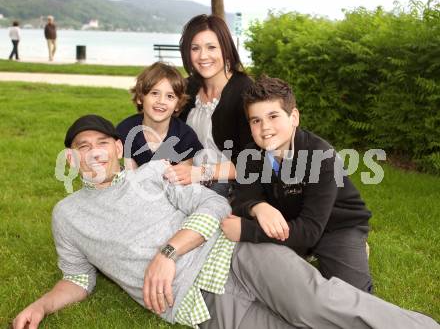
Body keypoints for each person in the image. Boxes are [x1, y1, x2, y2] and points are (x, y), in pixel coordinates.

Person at [12, 114, 439, 329]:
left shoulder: (154, 172)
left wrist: (168, 252)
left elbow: (215, 207)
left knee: (319, 304)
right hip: (199, 304)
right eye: (83, 147)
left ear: (118, 145)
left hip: (236, 255)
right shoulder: (66, 216)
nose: (95, 152)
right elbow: (78, 278)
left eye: (102, 143)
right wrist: (43, 305)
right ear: (72, 158)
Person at [222, 76, 373, 292]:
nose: (265, 128)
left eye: (273, 116)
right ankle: (302, 252)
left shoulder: (321, 156)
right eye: (256, 120)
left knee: (349, 296)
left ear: (294, 117)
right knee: (272, 285)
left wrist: (246, 230)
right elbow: (242, 197)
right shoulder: (250, 154)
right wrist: (257, 207)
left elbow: (310, 230)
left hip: (335, 226)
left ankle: (352, 247)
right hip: (288, 222)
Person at [163, 14, 253, 196]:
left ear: (226, 49)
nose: (203, 56)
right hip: (184, 181)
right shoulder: (187, 88)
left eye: (211, 47)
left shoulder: (247, 93)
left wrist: (199, 173)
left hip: (230, 188)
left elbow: (253, 163)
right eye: (195, 48)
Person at [116, 62, 203, 169]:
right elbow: (130, 177)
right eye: (154, 93)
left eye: (170, 96)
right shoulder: (126, 130)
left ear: (178, 104)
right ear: (140, 98)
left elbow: (184, 177)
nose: (161, 101)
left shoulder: (185, 136)